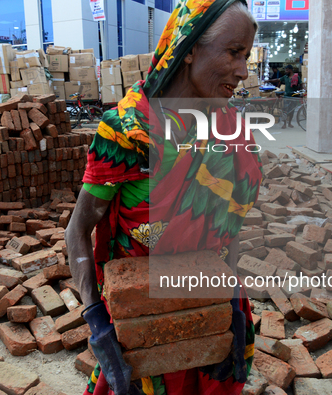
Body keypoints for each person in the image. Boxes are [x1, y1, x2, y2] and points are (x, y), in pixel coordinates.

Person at [65, 1, 260, 395]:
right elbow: (78, 229)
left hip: (211, 312)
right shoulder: (129, 132)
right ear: (188, 48)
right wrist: (97, 318)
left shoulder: (231, 132)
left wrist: (233, 300)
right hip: (143, 318)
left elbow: (230, 226)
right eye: (233, 52)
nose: (243, 71)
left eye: (247, 56)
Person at [267, 64, 300, 129]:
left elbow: (301, 84)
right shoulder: (285, 77)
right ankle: (284, 124)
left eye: (287, 70)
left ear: (290, 70)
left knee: (292, 111)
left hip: (294, 96)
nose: (286, 71)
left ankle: (289, 123)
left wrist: (301, 90)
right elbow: (277, 80)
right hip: (286, 96)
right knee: (285, 110)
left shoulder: (296, 77)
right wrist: (268, 80)